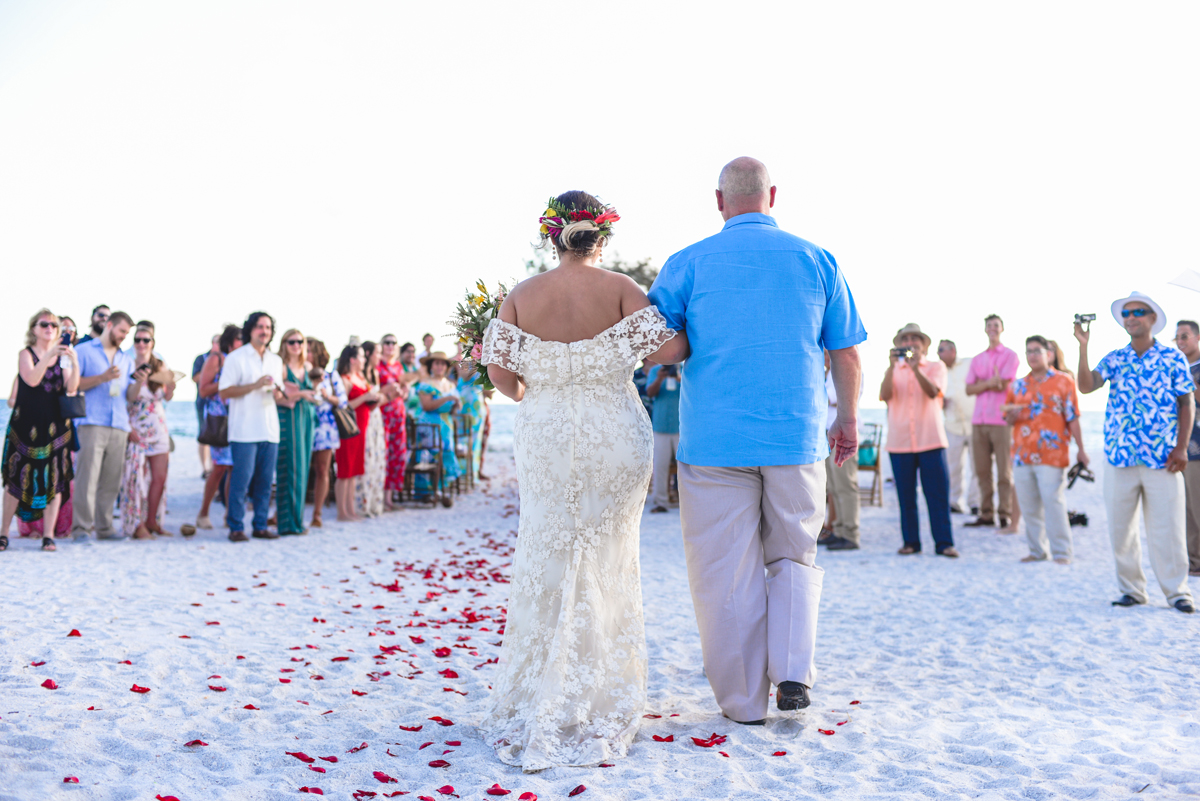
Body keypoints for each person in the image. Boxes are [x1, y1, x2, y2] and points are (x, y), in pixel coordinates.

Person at [649, 157, 864, 725]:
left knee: (725, 569)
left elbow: (661, 345)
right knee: (794, 553)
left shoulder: (686, 262)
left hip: (713, 441)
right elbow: (845, 350)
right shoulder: (818, 259)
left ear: (719, 201)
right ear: (772, 195)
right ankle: (792, 672)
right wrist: (848, 419)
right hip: (795, 434)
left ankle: (744, 702)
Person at [480, 188, 688, 770]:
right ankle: (598, 687)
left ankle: (539, 684)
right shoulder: (622, 288)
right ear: (603, 235)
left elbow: (504, 382)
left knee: (548, 550)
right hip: (614, 435)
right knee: (607, 554)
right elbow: (673, 349)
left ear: (551, 235)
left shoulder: (520, 296)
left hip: (545, 434)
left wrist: (544, 382)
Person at [1076, 291, 1195, 614]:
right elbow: (1087, 386)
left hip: (1163, 458)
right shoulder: (1115, 358)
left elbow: (1187, 403)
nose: (1132, 317)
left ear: (1152, 318)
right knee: (1121, 528)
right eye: (1127, 313)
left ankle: (1177, 592)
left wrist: (1181, 447)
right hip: (1119, 456)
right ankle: (1132, 590)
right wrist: (1083, 346)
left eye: (1139, 312)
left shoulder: (1172, 359)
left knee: (1167, 528)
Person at [1, 310, 79, 552]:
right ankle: (4, 533)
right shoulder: (26, 354)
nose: (50, 328)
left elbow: (71, 389)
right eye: (44, 324)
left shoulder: (63, 356)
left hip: (55, 427)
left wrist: (74, 362)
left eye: (54, 325)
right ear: (33, 328)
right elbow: (32, 379)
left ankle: (48, 534)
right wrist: (49, 356)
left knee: (54, 480)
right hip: (26, 427)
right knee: (15, 478)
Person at [1005, 336, 1088, 564]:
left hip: (1052, 453)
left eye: (1037, 350)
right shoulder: (1017, 385)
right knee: (1029, 505)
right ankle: (1037, 551)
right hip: (1022, 454)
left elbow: (1073, 417)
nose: (1032, 355)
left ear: (1047, 353)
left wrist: (1081, 449)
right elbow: (1008, 417)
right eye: (1028, 351)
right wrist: (1010, 416)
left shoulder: (1064, 381)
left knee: (1053, 503)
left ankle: (1062, 552)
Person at [881, 324, 957, 557]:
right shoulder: (894, 369)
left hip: (930, 440)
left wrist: (916, 370)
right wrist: (891, 367)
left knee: (937, 495)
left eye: (915, 338)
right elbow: (884, 396)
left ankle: (944, 543)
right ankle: (911, 542)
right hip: (900, 442)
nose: (910, 342)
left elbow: (934, 392)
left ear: (924, 345)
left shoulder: (936, 366)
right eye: (905, 339)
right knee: (906, 497)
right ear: (899, 344)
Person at [218, 311, 292, 542]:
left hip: (269, 430)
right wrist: (254, 385)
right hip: (244, 430)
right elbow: (224, 392)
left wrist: (280, 394)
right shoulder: (236, 358)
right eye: (260, 326)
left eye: (268, 327)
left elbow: (278, 397)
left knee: (264, 482)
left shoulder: (276, 360)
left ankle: (260, 525)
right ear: (251, 329)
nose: (264, 331)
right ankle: (236, 527)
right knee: (241, 482)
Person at [72, 311, 135, 541]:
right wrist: (102, 377)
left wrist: (142, 382)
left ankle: (105, 527)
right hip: (91, 422)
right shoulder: (84, 351)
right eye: (121, 331)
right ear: (109, 325)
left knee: (111, 481)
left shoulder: (126, 359)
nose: (124, 337)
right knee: (86, 478)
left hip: (119, 424)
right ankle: (81, 529)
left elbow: (129, 395)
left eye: (127, 333)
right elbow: (73, 384)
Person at [965, 314, 1020, 528]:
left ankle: (1004, 513)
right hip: (978, 420)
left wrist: (983, 383)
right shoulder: (978, 359)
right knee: (981, 471)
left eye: (996, 325)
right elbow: (969, 389)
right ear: (985, 329)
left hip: (1001, 420)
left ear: (1002, 329)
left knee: (1004, 471)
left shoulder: (1011, 356)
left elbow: (1004, 384)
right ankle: (986, 513)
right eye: (989, 325)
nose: (992, 329)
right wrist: (989, 382)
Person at [120, 324, 175, 538]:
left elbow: (166, 397)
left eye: (146, 340)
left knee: (160, 477)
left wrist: (171, 388)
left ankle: (153, 521)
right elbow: (128, 397)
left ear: (152, 343)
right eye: (138, 340)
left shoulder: (160, 365)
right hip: (136, 425)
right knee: (136, 478)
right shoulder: (126, 364)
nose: (142, 344)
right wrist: (139, 380)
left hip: (158, 424)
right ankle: (137, 524)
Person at [196, 325, 241, 530]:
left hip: (240, 420)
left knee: (236, 469)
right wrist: (225, 382)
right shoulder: (217, 359)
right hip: (219, 422)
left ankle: (229, 514)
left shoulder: (243, 360)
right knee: (219, 468)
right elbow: (203, 390)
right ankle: (203, 512)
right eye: (240, 338)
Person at [276, 328, 317, 535]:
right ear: (284, 344)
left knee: (303, 470)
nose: (296, 346)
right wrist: (301, 393)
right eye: (291, 342)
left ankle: (298, 521)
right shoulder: (282, 368)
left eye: (300, 342)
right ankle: (287, 523)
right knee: (290, 469)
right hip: (290, 420)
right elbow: (277, 397)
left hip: (307, 420)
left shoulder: (307, 367)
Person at [334, 345, 379, 522]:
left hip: (362, 430)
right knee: (344, 471)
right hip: (348, 430)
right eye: (361, 356)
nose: (364, 360)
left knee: (354, 472)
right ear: (352, 359)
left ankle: (350, 510)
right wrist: (364, 398)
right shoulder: (345, 379)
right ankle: (341, 512)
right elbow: (343, 406)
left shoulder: (361, 378)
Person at [823, 351, 861, 550]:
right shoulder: (828, 373)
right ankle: (838, 530)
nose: (825, 355)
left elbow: (836, 399)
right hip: (828, 434)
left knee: (846, 485)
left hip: (843, 433)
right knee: (833, 486)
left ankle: (850, 533)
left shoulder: (850, 370)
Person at [413, 352, 462, 504]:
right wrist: (447, 398)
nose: (440, 366)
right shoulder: (425, 384)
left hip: (446, 425)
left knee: (447, 455)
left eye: (443, 363)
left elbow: (454, 409)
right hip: (429, 426)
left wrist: (456, 405)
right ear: (431, 366)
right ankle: (426, 493)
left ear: (447, 367)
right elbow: (426, 406)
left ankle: (442, 490)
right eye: (436, 363)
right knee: (428, 456)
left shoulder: (451, 385)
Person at [307, 338, 346, 528]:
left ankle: (318, 513)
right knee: (298, 468)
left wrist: (325, 395)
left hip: (325, 428)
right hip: (304, 425)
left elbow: (342, 402)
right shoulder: (299, 374)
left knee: (322, 469)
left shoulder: (331, 376)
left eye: (309, 351)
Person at [937, 339, 979, 514]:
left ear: (952, 350)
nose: (938, 354)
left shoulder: (970, 363)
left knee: (978, 466)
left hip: (974, 422)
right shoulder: (938, 371)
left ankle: (976, 503)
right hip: (952, 425)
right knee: (953, 466)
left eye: (941, 350)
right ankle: (954, 502)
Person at [1174, 319, 1200, 576]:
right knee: (1188, 510)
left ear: (1197, 337)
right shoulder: (1180, 366)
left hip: (1199, 448)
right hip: (1183, 447)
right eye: (1177, 338)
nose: (1180, 342)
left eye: (1185, 336)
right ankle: (1195, 563)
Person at [377, 335, 411, 508]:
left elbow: (405, 389)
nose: (390, 346)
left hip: (398, 414)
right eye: (387, 343)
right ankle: (378, 497)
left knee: (396, 454)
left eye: (393, 343)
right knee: (381, 452)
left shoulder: (398, 366)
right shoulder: (377, 364)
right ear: (382, 346)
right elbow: (374, 389)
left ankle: (389, 498)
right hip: (383, 414)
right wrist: (389, 389)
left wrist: (403, 390)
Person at [355, 341, 387, 517]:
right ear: (368, 354)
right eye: (377, 353)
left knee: (376, 461)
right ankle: (362, 504)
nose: (380, 357)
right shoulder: (359, 374)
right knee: (366, 460)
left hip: (376, 419)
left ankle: (374, 503)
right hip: (365, 419)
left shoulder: (375, 373)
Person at [645, 361, 681, 513]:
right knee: (659, 466)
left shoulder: (686, 371)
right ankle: (661, 502)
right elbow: (650, 393)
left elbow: (695, 392)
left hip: (682, 427)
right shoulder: (656, 371)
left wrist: (679, 378)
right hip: (660, 426)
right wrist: (660, 378)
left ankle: (688, 501)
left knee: (686, 467)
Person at [193, 335, 220, 477]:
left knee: (217, 436)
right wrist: (210, 369)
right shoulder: (201, 358)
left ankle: (213, 467)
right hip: (203, 402)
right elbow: (195, 378)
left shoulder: (225, 359)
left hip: (220, 404)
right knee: (204, 435)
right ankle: (205, 468)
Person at [456, 360, 486, 477]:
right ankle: (461, 472)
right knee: (461, 439)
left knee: (475, 442)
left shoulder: (483, 364)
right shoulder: (463, 363)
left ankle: (472, 473)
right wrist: (473, 363)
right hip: (462, 408)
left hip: (476, 409)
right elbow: (464, 377)